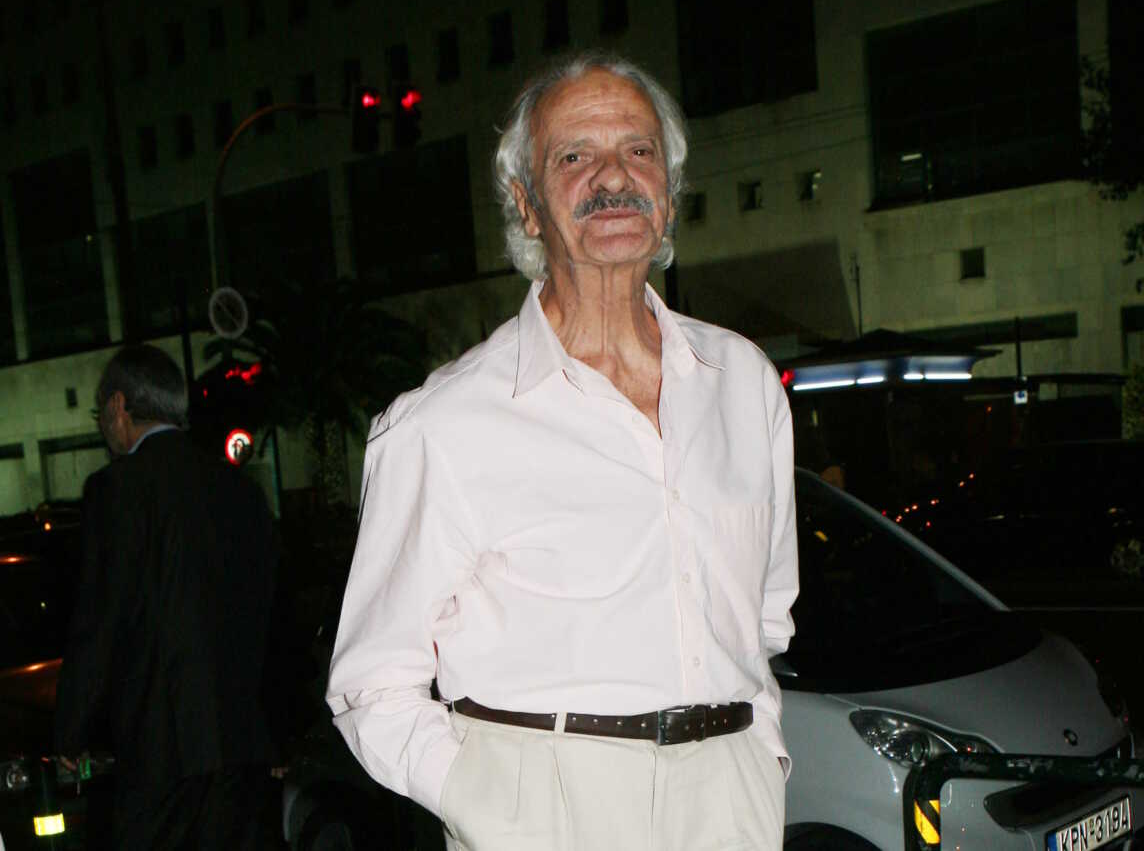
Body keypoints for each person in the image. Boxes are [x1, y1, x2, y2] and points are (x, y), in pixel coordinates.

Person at [327, 51, 798, 851]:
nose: (614, 176)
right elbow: (371, 683)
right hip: (547, 810)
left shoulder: (743, 382)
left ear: (669, 190)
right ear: (527, 204)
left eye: (639, 150)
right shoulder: (445, 424)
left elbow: (764, 620)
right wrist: (491, 801)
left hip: (730, 800)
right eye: (574, 156)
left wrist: (759, 759)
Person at [54, 344, 279, 850]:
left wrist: (72, 727)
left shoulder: (117, 489)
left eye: (99, 413)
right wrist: (279, 725)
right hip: (242, 747)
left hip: (163, 747)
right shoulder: (240, 490)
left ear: (118, 406)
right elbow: (270, 609)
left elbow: (102, 615)